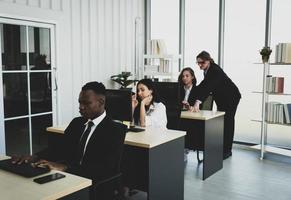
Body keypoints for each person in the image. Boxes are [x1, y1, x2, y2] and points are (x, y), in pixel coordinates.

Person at [12, 81, 127, 198]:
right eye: (80, 102)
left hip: (94, 184)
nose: (81, 107)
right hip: (68, 177)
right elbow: (58, 149)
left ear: (101, 102)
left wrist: (65, 168)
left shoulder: (114, 130)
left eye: (86, 103)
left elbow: (105, 168)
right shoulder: (77, 123)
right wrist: (34, 157)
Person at [193, 51, 241, 159]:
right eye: (198, 63)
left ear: (209, 60)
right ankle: (223, 149)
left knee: (228, 123)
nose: (200, 65)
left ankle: (227, 151)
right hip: (223, 99)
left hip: (231, 98)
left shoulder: (214, 70)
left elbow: (208, 86)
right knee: (222, 124)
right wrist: (193, 91)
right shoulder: (207, 69)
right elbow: (204, 84)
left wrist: (197, 102)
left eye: (202, 62)